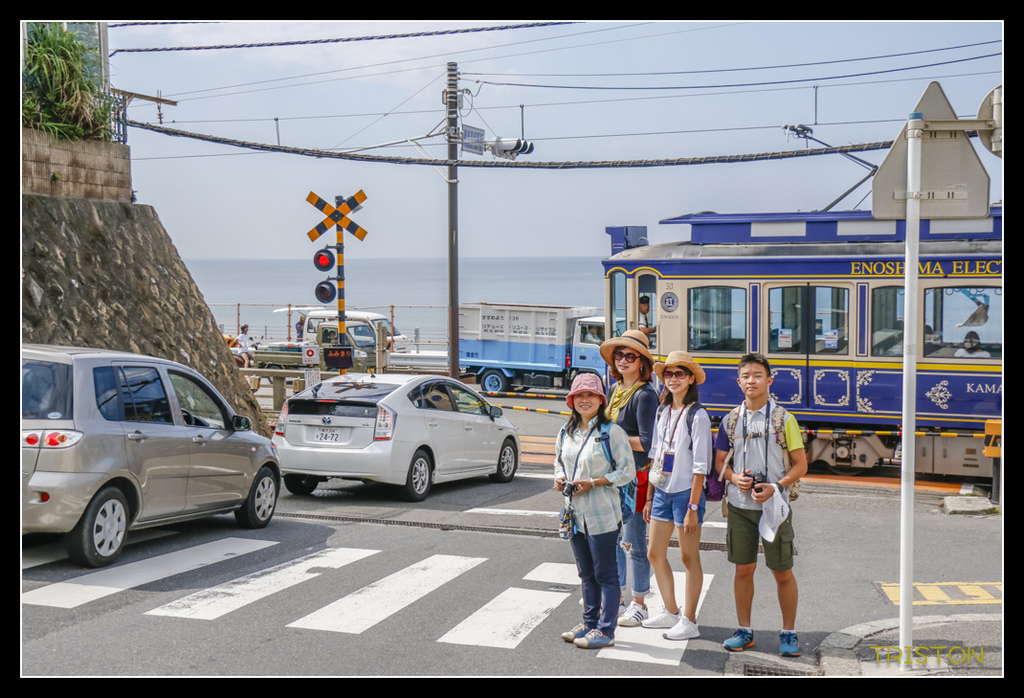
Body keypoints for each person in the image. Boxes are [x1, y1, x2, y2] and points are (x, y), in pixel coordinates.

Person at [715, 353, 808, 657]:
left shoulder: (784, 419)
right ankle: (745, 631)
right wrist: (734, 478)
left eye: (757, 375)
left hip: (774, 508)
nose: (751, 380)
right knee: (743, 569)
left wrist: (776, 487)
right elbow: (720, 464)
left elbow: (801, 465)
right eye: (746, 376)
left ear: (769, 381)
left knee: (782, 571)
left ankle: (789, 633)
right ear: (738, 381)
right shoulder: (730, 420)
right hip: (741, 507)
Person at [555, 372, 636, 649]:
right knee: (586, 573)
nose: (585, 400)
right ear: (572, 400)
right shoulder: (565, 432)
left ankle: (606, 630)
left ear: (601, 400)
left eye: (591, 395)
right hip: (575, 515)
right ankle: (588, 624)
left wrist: (595, 482)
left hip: (602, 513)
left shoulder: (611, 432)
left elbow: (627, 471)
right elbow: (558, 462)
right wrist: (558, 478)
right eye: (580, 395)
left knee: (606, 575)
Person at [642, 351, 710, 641]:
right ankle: (670, 612)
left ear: (691, 378)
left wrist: (693, 507)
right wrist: (648, 497)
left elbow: (701, 466)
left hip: (686, 494)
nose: (672, 379)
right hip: (662, 492)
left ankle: (689, 620)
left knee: (688, 556)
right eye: (668, 374)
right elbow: (656, 455)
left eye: (679, 374)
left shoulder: (698, 414)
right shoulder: (662, 410)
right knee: (654, 553)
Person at [598, 329, 659, 628]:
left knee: (634, 542)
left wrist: (614, 436)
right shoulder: (614, 389)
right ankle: (617, 596)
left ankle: (640, 603)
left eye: (630, 356)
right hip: (613, 476)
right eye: (619, 355)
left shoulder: (646, 395)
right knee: (614, 541)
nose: (623, 360)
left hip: (636, 478)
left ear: (642, 362)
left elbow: (648, 444)